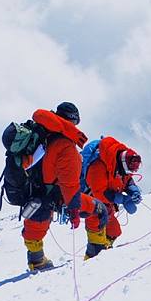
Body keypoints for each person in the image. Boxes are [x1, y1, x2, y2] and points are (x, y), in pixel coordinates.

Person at [21, 102, 109, 273]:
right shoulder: (65, 145)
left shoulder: (40, 133)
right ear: (73, 121)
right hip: (56, 193)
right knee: (99, 210)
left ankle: (36, 261)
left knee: (35, 223)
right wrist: (74, 210)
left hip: (33, 190)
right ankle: (96, 255)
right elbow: (69, 184)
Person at [81, 137, 143, 259]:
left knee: (114, 232)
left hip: (107, 207)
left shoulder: (120, 165)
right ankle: (91, 260)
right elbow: (99, 192)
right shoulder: (98, 166)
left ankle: (105, 250)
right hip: (93, 206)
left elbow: (126, 179)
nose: (131, 172)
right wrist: (122, 199)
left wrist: (132, 190)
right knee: (96, 237)